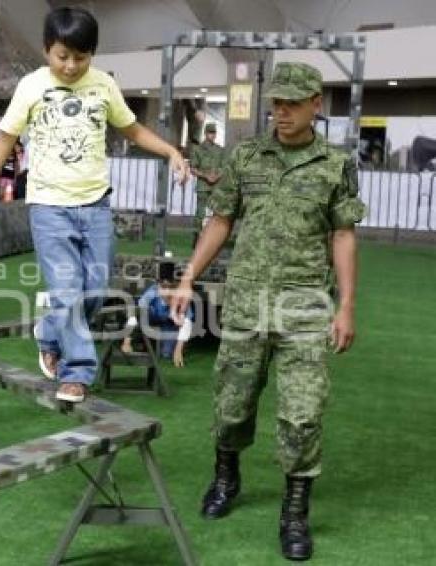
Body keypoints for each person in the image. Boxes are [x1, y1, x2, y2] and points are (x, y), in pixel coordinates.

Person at [172, 62, 366, 561]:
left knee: (302, 415)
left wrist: (346, 306)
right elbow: (221, 219)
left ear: (316, 104)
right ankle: (225, 478)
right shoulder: (248, 157)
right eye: (275, 103)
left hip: (305, 308)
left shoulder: (334, 164)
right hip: (245, 305)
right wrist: (190, 275)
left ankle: (295, 512)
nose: (280, 111)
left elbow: (342, 234)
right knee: (232, 404)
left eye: (292, 103)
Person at [0, 7, 188, 403]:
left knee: (96, 291)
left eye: (80, 58)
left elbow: (133, 129)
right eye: (62, 56)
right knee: (67, 291)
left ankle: (49, 331)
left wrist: (170, 150)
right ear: (46, 49)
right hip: (48, 206)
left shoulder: (103, 85)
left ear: (93, 54)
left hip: (96, 206)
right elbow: (4, 139)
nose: (70, 66)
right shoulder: (31, 86)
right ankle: (77, 373)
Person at [121, 262, 194, 367]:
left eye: (171, 287)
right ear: (158, 286)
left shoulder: (181, 296)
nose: (167, 291)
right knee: (141, 314)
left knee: (166, 354)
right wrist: (126, 342)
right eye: (164, 287)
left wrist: (178, 350)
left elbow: (187, 322)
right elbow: (135, 314)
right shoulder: (152, 293)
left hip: (169, 324)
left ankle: (171, 347)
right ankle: (139, 342)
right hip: (149, 319)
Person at [190, 122, 225, 244]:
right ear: (205, 134)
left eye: (214, 132)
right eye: (210, 132)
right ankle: (197, 236)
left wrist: (216, 176)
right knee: (200, 213)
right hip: (203, 186)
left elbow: (225, 167)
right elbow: (193, 168)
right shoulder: (198, 150)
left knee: (216, 213)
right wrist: (206, 176)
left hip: (216, 186)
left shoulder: (220, 150)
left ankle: (213, 239)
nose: (212, 135)